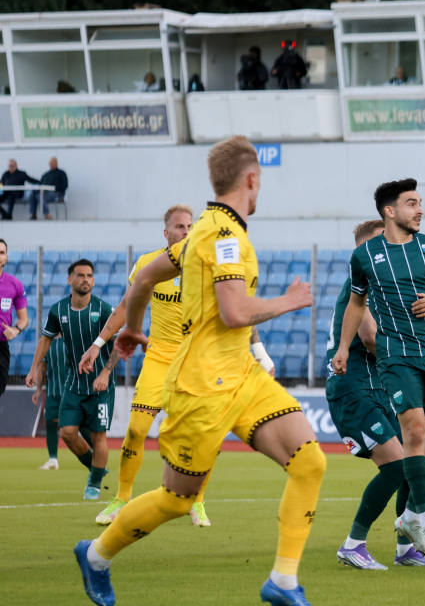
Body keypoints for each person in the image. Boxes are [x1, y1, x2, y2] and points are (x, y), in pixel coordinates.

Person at [73, 136, 323, 606]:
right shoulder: (224, 236)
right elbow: (234, 312)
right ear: (252, 179)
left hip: (241, 376)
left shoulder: (201, 233)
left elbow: (143, 278)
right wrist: (289, 301)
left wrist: (131, 329)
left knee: (310, 462)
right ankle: (96, 556)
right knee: (177, 499)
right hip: (202, 385)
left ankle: (284, 581)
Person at [81, 205, 235, 528]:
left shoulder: (208, 265)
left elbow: (232, 310)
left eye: (190, 226)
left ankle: (197, 501)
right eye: (179, 227)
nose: (186, 231)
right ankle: (122, 499)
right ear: (166, 233)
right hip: (158, 358)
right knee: (136, 430)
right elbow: (126, 306)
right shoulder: (148, 265)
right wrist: (97, 343)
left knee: (203, 437)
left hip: (196, 363)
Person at [331, 178, 425, 560]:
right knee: (414, 431)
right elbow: (357, 307)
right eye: (412, 203)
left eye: (420, 202)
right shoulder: (365, 257)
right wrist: (342, 348)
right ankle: (422, 517)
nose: (420, 209)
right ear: (390, 211)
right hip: (395, 356)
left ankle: (407, 523)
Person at [26, 260, 118, 500]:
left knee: (98, 435)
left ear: (93, 280)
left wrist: (105, 373)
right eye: (80, 275)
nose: (85, 279)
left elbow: (119, 345)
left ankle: (94, 484)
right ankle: (96, 467)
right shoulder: (58, 310)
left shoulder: (104, 309)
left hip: (101, 386)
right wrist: (33, 369)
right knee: (67, 432)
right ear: (70, 280)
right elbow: (46, 339)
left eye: (89, 275)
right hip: (74, 384)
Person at [33, 336, 73, 469]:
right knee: (50, 422)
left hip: (70, 391)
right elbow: (42, 367)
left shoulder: (70, 338)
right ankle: (53, 459)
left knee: (80, 425)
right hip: (52, 391)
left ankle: (94, 452)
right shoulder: (47, 342)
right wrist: (38, 390)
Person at [0, 239, 29, 397]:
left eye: (1, 252)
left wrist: (15, 330)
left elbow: (23, 319)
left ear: (6, 258)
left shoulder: (14, 284)